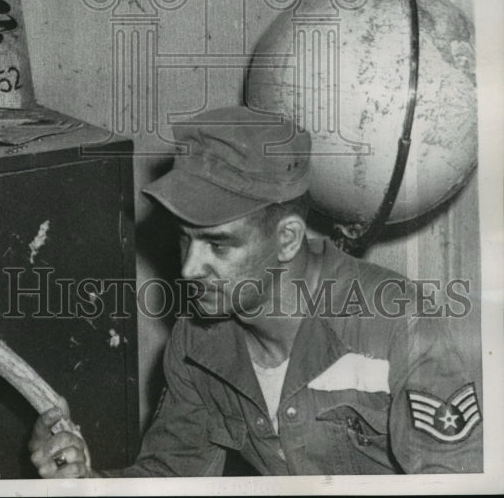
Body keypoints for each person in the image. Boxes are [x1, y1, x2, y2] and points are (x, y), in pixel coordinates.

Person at [28, 107, 483, 478]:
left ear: (287, 239)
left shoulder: (401, 326)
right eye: (185, 238)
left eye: (218, 243)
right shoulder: (199, 339)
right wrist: (87, 485)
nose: (188, 269)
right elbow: (170, 477)